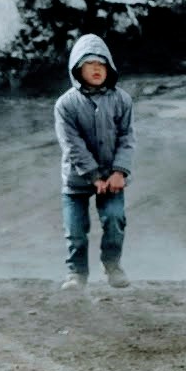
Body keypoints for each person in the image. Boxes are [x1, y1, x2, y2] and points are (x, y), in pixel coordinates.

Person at [55, 32, 132, 286]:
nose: (96, 69)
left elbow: (126, 138)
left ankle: (112, 266)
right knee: (75, 232)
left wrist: (120, 171)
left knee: (115, 220)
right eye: (89, 64)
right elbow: (71, 144)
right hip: (77, 179)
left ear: (109, 67)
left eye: (101, 64)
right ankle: (76, 273)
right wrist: (93, 176)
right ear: (77, 69)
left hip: (112, 177)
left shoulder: (121, 99)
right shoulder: (65, 104)